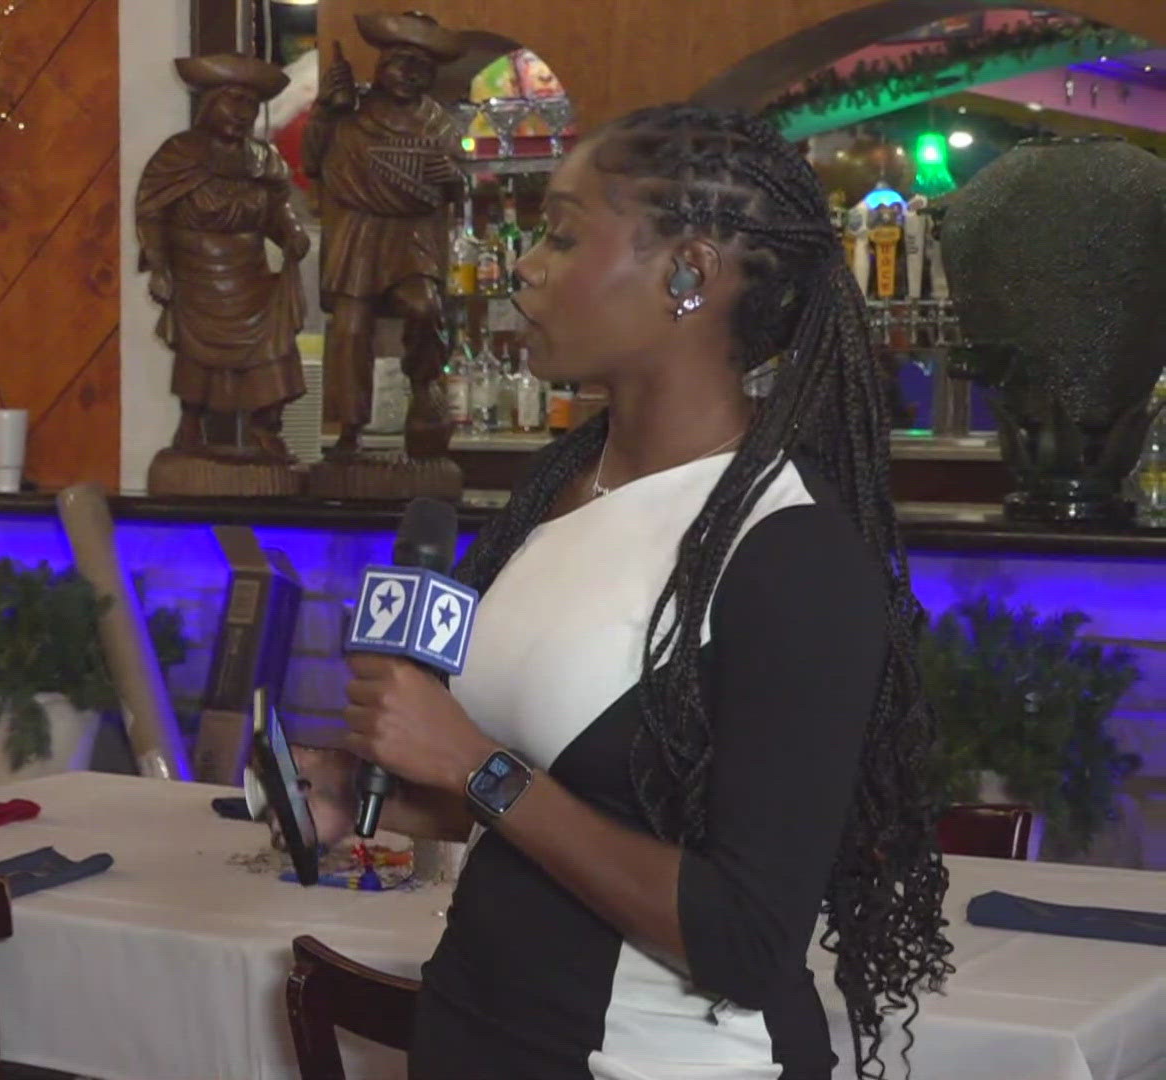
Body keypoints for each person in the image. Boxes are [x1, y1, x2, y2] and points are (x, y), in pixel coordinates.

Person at [297, 104, 954, 1078]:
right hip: (481, 1032)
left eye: (562, 235)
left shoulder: (792, 554)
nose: (524, 266)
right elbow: (573, 796)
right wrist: (379, 795)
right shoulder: (556, 490)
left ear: (688, 273)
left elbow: (743, 938)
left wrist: (474, 766)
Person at [302, 12, 464, 458]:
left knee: (424, 307)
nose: (411, 75)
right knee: (351, 331)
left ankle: (424, 390)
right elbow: (314, 163)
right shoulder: (349, 114)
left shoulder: (439, 124)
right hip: (360, 236)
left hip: (411, 240)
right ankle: (349, 430)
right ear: (380, 65)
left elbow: (457, 185)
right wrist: (324, 113)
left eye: (422, 68)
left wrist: (450, 176)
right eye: (401, 62)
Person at [136, 54, 309, 459]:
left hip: (250, 272)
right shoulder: (180, 154)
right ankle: (191, 422)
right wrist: (160, 267)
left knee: (275, 345)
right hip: (198, 273)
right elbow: (152, 213)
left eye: (250, 105)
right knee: (197, 354)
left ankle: (266, 425)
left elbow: (275, 209)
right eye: (233, 102)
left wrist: (291, 232)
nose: (242, 114)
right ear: (210, 103)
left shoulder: (263, 159)